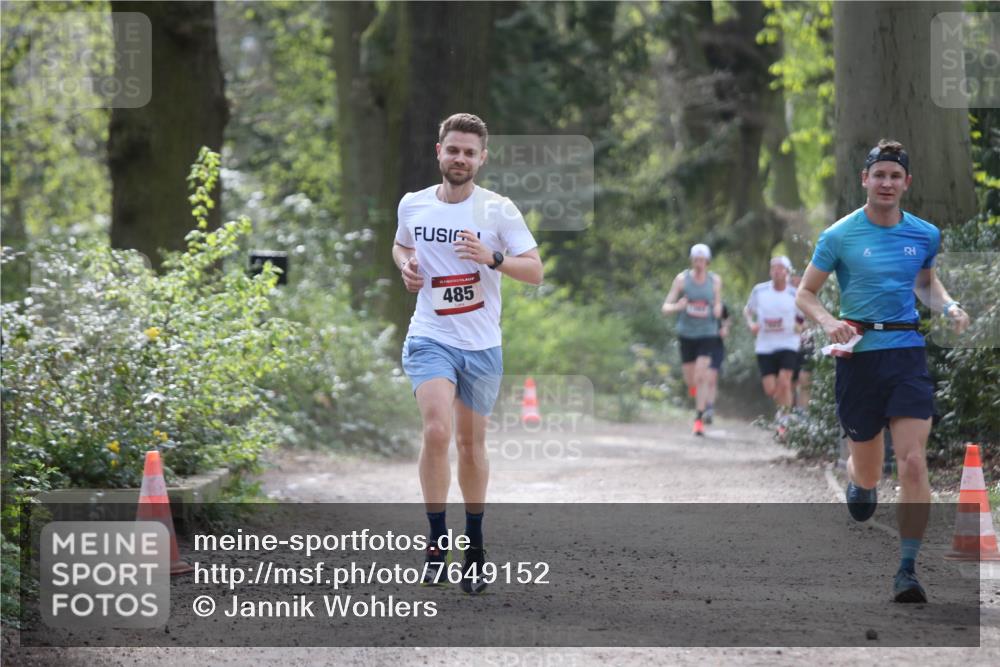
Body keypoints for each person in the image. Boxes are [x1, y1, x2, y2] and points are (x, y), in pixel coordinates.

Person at [795, 139, 970, 603]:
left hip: (907, 352)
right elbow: (805, 293)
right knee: (870, 472)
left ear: (906, 183)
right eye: (880, 175)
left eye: (896, 176)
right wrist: (830, 321)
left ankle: (908, 570)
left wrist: (948, 306)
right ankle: (859, 481)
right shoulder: (839, 235)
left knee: (913, 461)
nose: (887, 183)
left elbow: (925, 283)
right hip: (859, 358)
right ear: (865, 180)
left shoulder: (925, 235)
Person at [392, 113, 543, 594]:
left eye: (469, 152)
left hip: (481, 346)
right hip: (429, 335)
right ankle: (437, 542)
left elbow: (535, 271)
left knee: (470, 446)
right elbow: (400, 247)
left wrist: (492, 258)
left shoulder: (498, 211)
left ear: (482, 158)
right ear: (438, 151)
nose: (460, 158)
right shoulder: (413, 205)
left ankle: (474, 545)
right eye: (452, 149)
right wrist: (407, 267)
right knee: (437, 431)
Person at [661, 243, 723, 436]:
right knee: (691, 381)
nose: (699, 264)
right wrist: (678, 307)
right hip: (687, 334)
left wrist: (717, 310)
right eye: (696, 260)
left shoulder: (714, 281)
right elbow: (665, 307)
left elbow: (719, 305)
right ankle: (699, 399)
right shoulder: (681, 280)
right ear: (691, 261)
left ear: (708, 262)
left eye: (702, 260)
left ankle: (699, 418)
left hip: (707, 333)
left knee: (701, 375)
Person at [744, 256, 801, 435]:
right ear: (770, 271)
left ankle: (784, 421)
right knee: (770, 389)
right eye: (774, 267)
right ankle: (782, 411)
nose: (776, 270)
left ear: (787, 272)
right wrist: (751, 324)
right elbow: (748, 310)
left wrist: (800, 326)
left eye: (780, 268)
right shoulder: (760, 291)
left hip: (788, 342)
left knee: (785, 382)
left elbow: (802, 317)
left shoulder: (794, 293)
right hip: (765, 345)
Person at [789, 272, 815, 412]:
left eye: (798, 283)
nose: (796, 286)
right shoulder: (785, 299)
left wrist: (805, 326)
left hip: (807, 344)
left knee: (805, 379)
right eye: (793, 283)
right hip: (789, 345)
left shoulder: (811, 298)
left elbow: (815, 322)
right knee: (790, 382)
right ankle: (788, 412)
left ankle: (803, 413)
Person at [703, 303, 730, 425]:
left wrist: (725, 328)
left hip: (716, 347)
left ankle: (709, 408)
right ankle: (700, 404)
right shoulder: (699, 301)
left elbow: (727, 319)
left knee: (712, 378)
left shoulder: (721, 305)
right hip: (701, 345)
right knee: (701, 378)